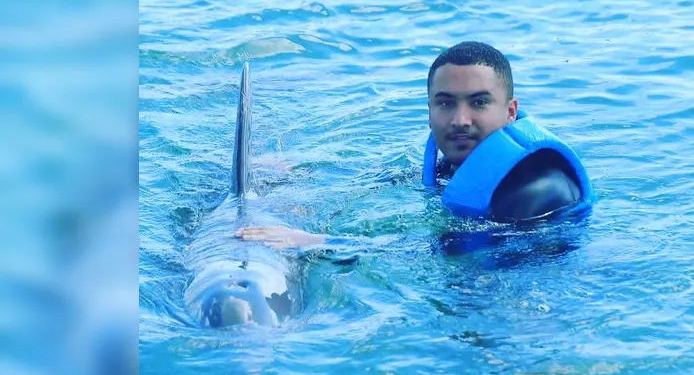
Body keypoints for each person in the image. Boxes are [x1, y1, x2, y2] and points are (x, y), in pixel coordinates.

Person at [236, 41, 594, 249]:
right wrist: (299, 177)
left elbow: (442, 256)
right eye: (445, 102)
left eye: (479, 102)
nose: (460, 119)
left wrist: (319, 242)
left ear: (511, 112)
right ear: (429, 110)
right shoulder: (451, 170)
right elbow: (388, 181)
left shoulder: (537, 190)